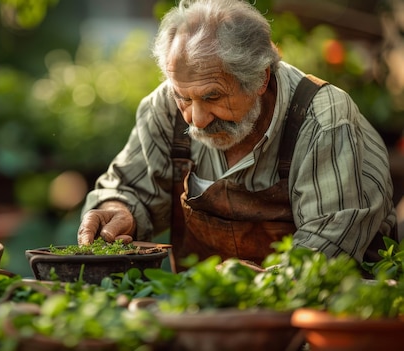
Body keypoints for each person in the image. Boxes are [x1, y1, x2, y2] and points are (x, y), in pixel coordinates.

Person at [77, 0, 399, 272]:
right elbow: (131, 187)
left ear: (260, 79)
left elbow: (323, 258)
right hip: (203, 320)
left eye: (213, 97)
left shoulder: (324, 123)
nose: (197, 120)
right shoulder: (165, 107)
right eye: (184, 98)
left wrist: (246, 285)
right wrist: (119, 209)